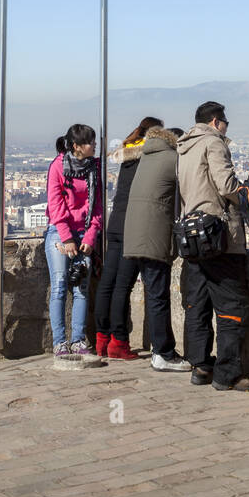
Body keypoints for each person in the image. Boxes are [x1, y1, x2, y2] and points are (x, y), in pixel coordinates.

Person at [177, 101, 249, 392]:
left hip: (192, 235)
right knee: (231, 305)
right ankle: (228, 373)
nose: (227, 128)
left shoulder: (184, 145)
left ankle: (201, 365)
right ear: (216, 122)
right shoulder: (213, 142)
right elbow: (226, 185)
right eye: (225, 122)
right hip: (218, 236)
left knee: (197, 303)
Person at [121, 126, 191, 372]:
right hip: (153, 236)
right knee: (158, 295)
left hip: (136, 235)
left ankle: (162, 350)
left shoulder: (147, 156)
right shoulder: (173, 159)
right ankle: (163, 352)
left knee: (154, 293)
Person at [94, 117, 162, 360]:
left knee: (107, 284)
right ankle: (118, 342)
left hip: (115, 223)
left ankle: (101, 339)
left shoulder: (128, 155)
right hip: (132, 226)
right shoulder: (148, 157)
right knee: (123, 285)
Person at [45, 123, 103, 359]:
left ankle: (78, 340)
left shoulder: (95, 168)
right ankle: (59, 342)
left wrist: (90, 236)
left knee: (81, 289)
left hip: (84, 232)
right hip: (60, 233)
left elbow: (97, 205)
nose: (95, 145)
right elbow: (55, 206)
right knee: (59, 286)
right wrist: (67, 238)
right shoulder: (58, 167)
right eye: (90, 142)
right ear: (77, 147)